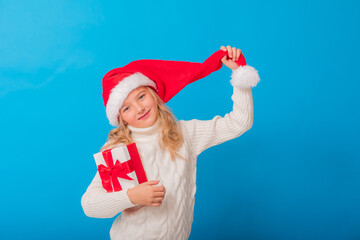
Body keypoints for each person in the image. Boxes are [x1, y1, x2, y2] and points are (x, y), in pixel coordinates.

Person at [81, 45, 260, 240]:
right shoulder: (119, 150)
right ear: (121, 118)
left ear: (154, 95)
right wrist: (132, 196)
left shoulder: (185, 133)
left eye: (141, 96)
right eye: (127, 108)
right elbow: (90, 205)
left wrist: (238, 72)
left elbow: (239, 123)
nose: (139, 109)